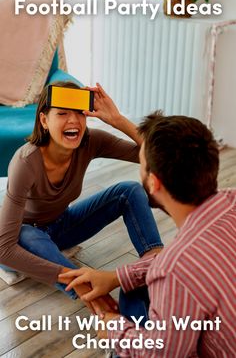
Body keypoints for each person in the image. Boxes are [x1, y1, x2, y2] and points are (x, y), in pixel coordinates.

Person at [61, 112, 236, 357]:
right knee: (132, 287)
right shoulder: (231, 200)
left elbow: (162, 353)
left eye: (141, 166)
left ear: (153, 183)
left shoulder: (174, 269)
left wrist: (114, 329)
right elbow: (180, 266)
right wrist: (117, 276)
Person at [0, 82, 163, 304]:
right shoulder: (25, 162)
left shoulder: (91, 141)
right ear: (44, 120)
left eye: (79, 113)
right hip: (21, 241)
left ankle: (153, 267)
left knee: (129, 191)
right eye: (62, 113)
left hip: (60, 226)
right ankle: (96, 299)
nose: (73, 120)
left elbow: (154, 155)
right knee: (27, 233)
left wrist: (117, 119)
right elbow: (3, 248)